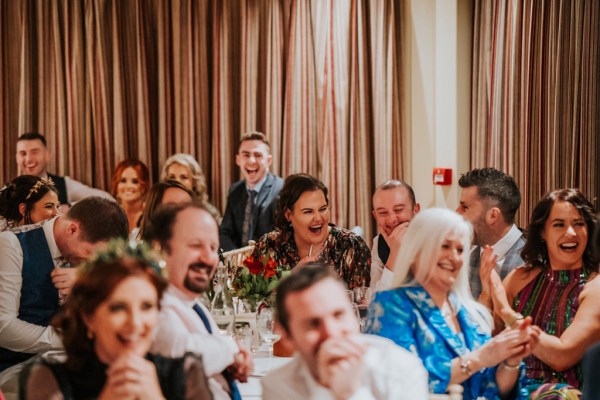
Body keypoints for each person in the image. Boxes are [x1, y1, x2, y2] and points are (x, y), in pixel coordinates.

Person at [366, 208, 539, 399]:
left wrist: (510, 360)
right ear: (416, 251)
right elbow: (402, 383)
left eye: (460, 249)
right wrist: (479, 358)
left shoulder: (469, 312)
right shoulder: (391, 306)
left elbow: (492, 388)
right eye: (445, 246)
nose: (454, 257)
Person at [20, 239, 212, 399]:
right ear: (89, 317)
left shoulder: (186, 374)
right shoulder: (51, 381)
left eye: (146, 307)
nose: (135, 323)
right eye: (118, 308)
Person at [487, 189, 600, 395]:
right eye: (559, 225)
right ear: (542, 232)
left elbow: (561, 357)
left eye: (579, 224)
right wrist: (488, 285)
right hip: (510, 386)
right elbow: (490, 334)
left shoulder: (595, 288)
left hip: (567, 395)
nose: (571, 233)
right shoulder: (520, 278)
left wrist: (507, 313)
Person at [0, 197, 128, 372]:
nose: (93, 263)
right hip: (14, 369)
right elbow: (4, 327)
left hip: (71, 366)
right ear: (73, 229)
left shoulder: (92, 258)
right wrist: (70, 340)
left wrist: (88, 280)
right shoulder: (11, 244)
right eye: (89, 254)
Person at [262, 265, 428, 399]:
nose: (331, 333)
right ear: (287, 336)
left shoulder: (399, 370)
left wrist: (351, 394)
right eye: (313, 323)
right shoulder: (278, 387)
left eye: (339, 315)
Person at [144, 201, 253, 400]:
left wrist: (230, 357)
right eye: (195, 245)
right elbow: (184, 355)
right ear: (160, 248)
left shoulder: (190, 303)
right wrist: (231, 349)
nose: (208, 257)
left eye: (213, 248)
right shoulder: (150, 303)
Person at [252, 173, 371, 289]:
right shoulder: (268, 245)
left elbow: (361, 303)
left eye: (323, 209)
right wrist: (291, 278)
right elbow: (250, 298)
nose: (319, 218)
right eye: (308, 211)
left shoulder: (351, 245)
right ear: (288, 215)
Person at [456, 167, 525, 299]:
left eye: (465, 207)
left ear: (493, 215)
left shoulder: (531, 262)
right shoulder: (469, 256)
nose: (457, 213)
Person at [219, 132, 284, 251]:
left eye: (258, 155)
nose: (251, 161)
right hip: (237, 263)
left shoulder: (281, 189)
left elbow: (282, 236)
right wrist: (237, 261)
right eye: (246, 155)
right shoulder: (235, 190)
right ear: (238, 160)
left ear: (269, 161)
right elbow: (225, 233)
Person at [15, 132, 114, 205]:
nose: (28, 159)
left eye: (34, 152)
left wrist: (71, 207)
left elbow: (107, 199)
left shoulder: (65, 184)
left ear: (47, 156)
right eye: (23, 153)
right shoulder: (9, 191)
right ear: (16, 158)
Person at [370, 179, 420, 290]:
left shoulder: (434, 240)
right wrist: (394, 254)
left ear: (416, 210)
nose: (392, 220)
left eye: (398, 210)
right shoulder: (379, 242)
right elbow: (377, 298)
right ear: (375, 216)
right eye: (383, 213)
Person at [161, 153, 221, 222]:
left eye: (184, 177)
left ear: (194, 182)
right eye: (172, 177)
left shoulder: (208, 212)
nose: (177, 182)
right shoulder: (159, 210)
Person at [110, 159, 150, 238]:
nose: (128, 186)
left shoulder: (151, 214)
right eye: (123, 180)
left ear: (144, 187)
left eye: (135, 181)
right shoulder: (109, 215)